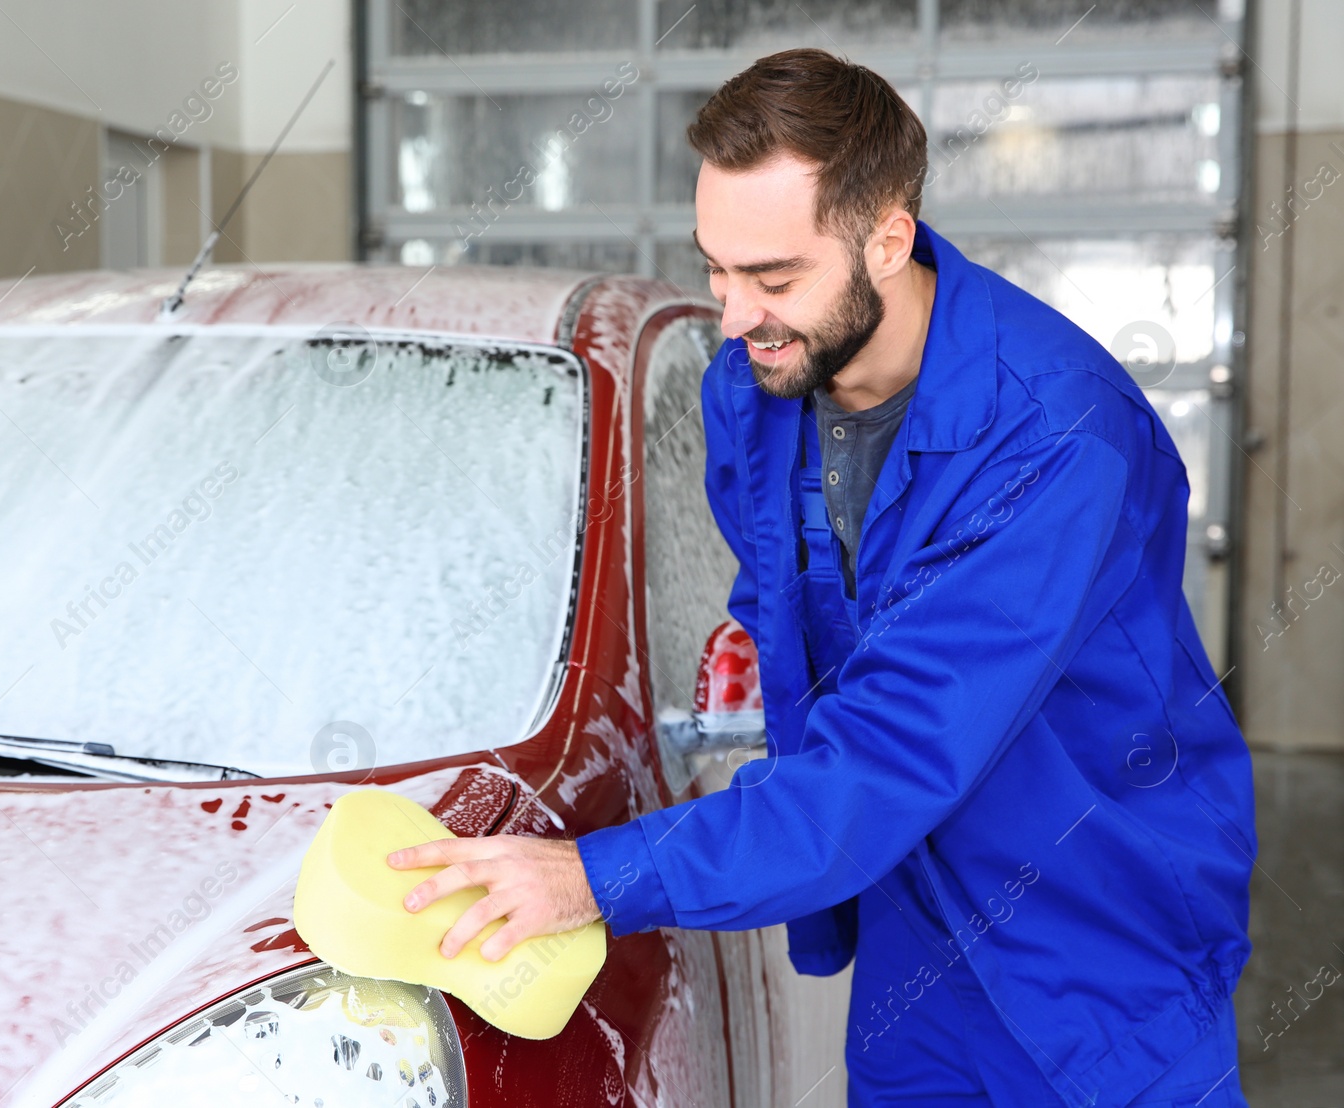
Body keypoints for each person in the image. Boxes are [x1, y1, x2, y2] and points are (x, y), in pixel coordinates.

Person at [389, 48, 1256, 1106]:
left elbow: (893, 745)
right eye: (715, 266)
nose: (733, 315)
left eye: (774, 277)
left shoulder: (1054, 437)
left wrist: (596, 877)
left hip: (1094, 935)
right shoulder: (750, 393)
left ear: (887, 238)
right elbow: (789, 621)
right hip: (911, 920)